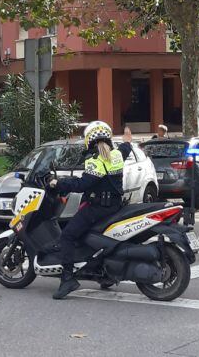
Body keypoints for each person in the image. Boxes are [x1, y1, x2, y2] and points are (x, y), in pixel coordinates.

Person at [48, 120, 126, 300]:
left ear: (89, 140)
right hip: (114, 206)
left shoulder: (95, 161)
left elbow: (83, 184)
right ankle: (103, 275)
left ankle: (67, 279)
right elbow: (125, 150)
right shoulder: (117, 155)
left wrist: (58, 183)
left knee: (67, 235)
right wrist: (128, 142)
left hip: (98, 208)